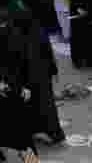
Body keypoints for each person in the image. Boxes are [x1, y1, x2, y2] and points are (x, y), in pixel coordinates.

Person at [12, 8, 65, 145]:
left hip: (31, 76)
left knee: (40, 105)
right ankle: (50, 132)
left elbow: (20, 58)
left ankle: (48, 132)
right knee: (46, 105)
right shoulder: (38, 30)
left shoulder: (19, 34)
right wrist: (53, 71)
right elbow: (48, 52)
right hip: (43, 74)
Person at [0, 16, 35, 160]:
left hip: (17, 89)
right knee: (3, 130)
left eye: (5, 24)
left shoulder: (18, 39)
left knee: (21, 129)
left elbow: (26, 64)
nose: (2, 27)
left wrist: (27, 86)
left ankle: (26, 159)